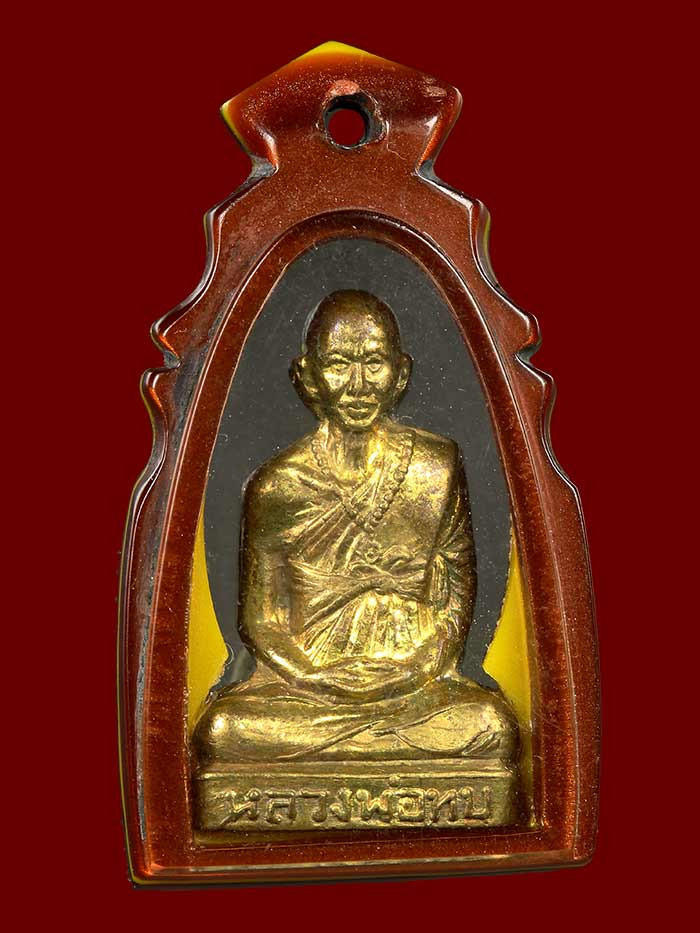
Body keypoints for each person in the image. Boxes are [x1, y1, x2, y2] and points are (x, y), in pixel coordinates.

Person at [193, 290, 517, 766]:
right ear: (307, 376)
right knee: (224, 730)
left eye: (374, 363)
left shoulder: (436, 469)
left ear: (401, 373)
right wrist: (314, 676)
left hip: (414, 683)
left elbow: (455, 596)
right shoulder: (277, 486)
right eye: (339, 364)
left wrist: (418, 668)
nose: (358, 385)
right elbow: (262, 621)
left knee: (491, 724)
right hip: (309, 689)